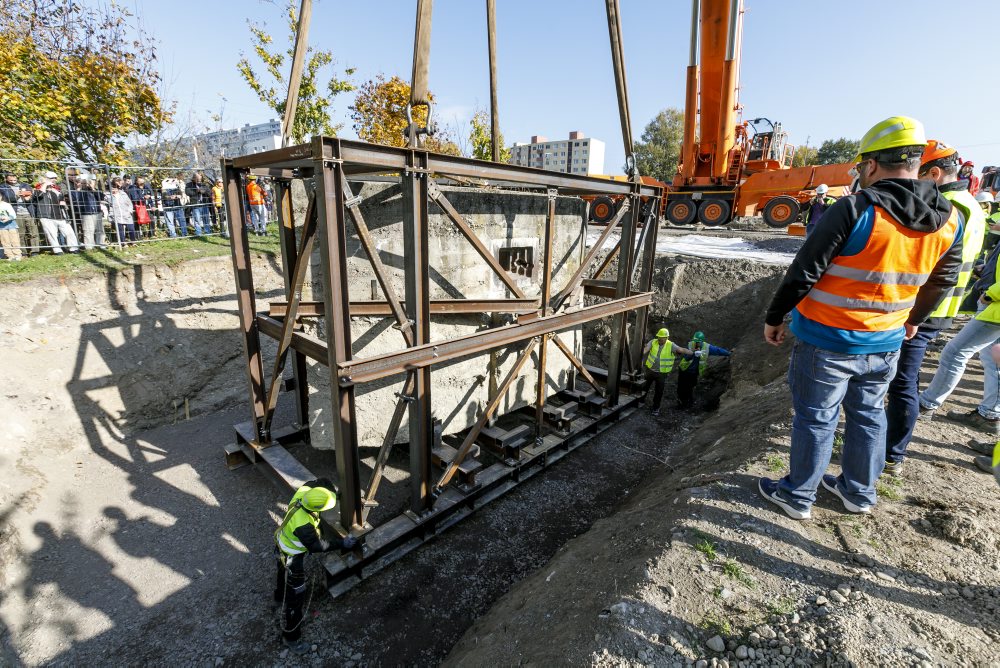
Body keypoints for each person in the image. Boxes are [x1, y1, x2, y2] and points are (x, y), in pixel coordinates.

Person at [759, 116, 962, 520]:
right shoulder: (950, 219)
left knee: (818, 418)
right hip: (885, 341)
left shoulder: (856, 208)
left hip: (826, 340)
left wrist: (775, 316)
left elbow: (804, 271)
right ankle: (858, 494)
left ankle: (798, 496)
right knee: (868, 415)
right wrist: (914, 319)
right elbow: (944, 281)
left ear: (871, 165)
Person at [882, 140, 986, 476]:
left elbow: (934, 267)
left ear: (936, 173)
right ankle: (886, 442)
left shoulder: (948, 205)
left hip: (923, 310)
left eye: (918, 173)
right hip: (938, 309)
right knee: (900, 380)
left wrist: (913, 314)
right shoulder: (971, 204)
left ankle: (890, 454)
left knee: (902, 383)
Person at [918, 233, 1000, 436]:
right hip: (993, 303)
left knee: (955, 353)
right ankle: (989, 415)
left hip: (995, 307)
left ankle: (926, 405)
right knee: (992, 359)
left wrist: (991, 294)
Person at [273, 479, 356, 654]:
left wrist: (332, 491)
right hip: (292, 558)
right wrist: (343, 543)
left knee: (281, 574)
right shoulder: (304, 525)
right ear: (316, 509)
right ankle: (291, 638)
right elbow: (318, 546)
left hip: (282, 545)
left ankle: (278, 599)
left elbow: (316, 482)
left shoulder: (303, 493)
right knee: (297, 598)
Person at [641, 327, 693, 417]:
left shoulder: (671, 345)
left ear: (666, 338)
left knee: (659, 391)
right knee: (644, 387)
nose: (660, 340)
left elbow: (681, 350)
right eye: (659, 337)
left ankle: (656, 408)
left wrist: (692, 353)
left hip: (662, 374)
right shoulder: (653, 342)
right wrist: (640, 353)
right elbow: (646, 349)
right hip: (650, 371)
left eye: (662, 338)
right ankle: (640, 401)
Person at [676, 331, 730, 409]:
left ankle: (688, 404)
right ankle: (680, 403)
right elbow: (685, 358)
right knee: (681, 388)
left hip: (694, 373)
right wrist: (693, 353)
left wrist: (728, 353)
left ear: (702, 341)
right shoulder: (690, 345)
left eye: (698, 342)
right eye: (695, 341)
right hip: (684, 370)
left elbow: (718, 350)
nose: (696, 343)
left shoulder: (707, 347)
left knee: (690, 388)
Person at [31, 171, 78, 254]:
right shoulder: (38, 189)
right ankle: (57, 250)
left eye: (55, 178)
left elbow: (61, 198)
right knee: (52, 234)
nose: (54, 180)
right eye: (51, 178)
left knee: (69, 232)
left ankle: (73, 248)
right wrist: (45, 184)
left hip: (60, 215)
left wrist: (63, 203)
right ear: (45, 179)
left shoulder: (56, 189)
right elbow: (38, 195)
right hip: (46, 216)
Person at [0, 173, 40, 256]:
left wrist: (28, 198)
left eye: (14, 179)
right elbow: (5, 199)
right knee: (20, 234)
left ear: (16, 177)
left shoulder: (25, 185)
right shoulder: (3, 187)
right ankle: (23, 252)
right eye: (11, 180)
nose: (13, 181)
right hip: (16, 213)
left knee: (33, 233)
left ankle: (34, 251)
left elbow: (32, 197)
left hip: (29, 211)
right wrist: (16, 196)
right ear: (6, 179)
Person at [70, 174, 105, 250]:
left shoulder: (93, 190)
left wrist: (93, 189)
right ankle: (89, 247)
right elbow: (75, 199)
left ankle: (101, 245)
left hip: (97, 212)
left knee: (100, 230)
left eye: (85, 182)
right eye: (82, 183)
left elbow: (101, 197)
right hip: (86, 213)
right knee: (88, 231)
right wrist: (78, 189)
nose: (85, 184)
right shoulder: (75, 191)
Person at [105, 177, 137, 244]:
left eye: (116, 188)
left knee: (131, 228)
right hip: (116, 215)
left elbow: (129, 203)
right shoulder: (108, 196)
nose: (114, 190)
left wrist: (129, 211)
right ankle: (123, 243)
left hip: (126, 214)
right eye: (113, 189)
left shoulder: (123, 194)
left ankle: (133, 242)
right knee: (120, 230)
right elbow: (107, 206)